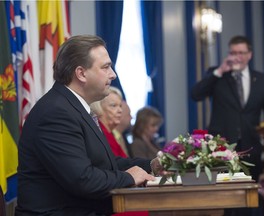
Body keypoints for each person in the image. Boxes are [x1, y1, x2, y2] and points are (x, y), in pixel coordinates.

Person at [16, 35, 163, 216]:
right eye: (106, 67)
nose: (113, 74)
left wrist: (150, 165)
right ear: (81, 73)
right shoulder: (56, 113)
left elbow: (105, 163)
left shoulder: (73, 107)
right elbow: (82, 180)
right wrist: (129, 177)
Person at [191, 35, 264, 216]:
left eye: (241, 53)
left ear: (250, 55)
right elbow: (196, 94)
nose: (236, 57)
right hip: (221, 148)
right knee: (223, 198)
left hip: (251, 147)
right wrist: (219, 71)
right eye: (233, 52)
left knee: (247, 200)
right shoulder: (218, 74)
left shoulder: (261, 79)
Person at [90, 86, 128, 158]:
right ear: (99, 107)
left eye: (120, 106)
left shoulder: (111, 134)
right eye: (113, 106)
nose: (120, 110)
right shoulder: (100, 134)